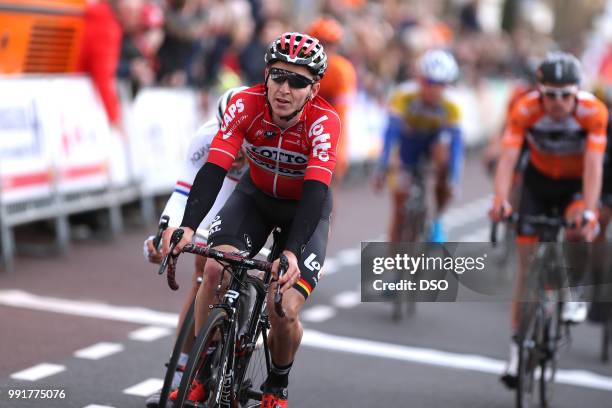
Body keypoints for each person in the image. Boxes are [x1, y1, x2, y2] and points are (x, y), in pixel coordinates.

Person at [162, 32, 339, 407]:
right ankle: (203, 370)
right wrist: (189, 226)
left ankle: (276, 385)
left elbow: (314, 193)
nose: (285, 88)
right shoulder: (244, 104)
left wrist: (290, 252)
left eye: (298, 81)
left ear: (315, 88)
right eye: (277, 75)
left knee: (283, 309)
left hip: (303, 211)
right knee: (213, 270)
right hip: (254, 198)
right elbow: (213, 170)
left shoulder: (324, 122)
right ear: (266, 74)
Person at [489, 52, 608, 388]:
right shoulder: (526, 108)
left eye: (565, 94)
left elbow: (594, 165)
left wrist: (590, 208)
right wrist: (499, 200)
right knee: (526, 272)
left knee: (581, 230)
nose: (557, 102)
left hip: (574, 186)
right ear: (540, 91)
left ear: (577, 92)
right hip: (538, 184)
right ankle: (516, 350)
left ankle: (574, 290)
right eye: (550, 94)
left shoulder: (593, 111)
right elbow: (508, 157)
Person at [142, 86, 248, 408]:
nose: (237, 154)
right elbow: (184, 192)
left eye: (243, 145)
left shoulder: (268, 144)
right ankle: (180, 376)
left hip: (255, 194)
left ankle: (244, 334)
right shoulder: (205, 138)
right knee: (204, 271)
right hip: (220, 189)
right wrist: (166, 232)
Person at [374, 49, 464, 243]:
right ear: (420, 79)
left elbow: (456, 145)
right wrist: (383, 167)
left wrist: (452, 179)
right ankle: (395, 264)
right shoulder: (403, 95)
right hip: (408, 145)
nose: (433, 89)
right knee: (399, 210)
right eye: (429, 82)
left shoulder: (452, 105)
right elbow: (391, 134)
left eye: (440, 84)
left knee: (444, 160)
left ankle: (437, 218)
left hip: (433, 144)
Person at [307, 17, 357, 183]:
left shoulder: (342, 71)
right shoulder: (301, 65)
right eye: (321, 43)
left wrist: (339, 151)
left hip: (327, 123)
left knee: (328, 181)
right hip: (302, 120)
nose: (325, 49)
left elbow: (341, 114)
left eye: (330, 44)